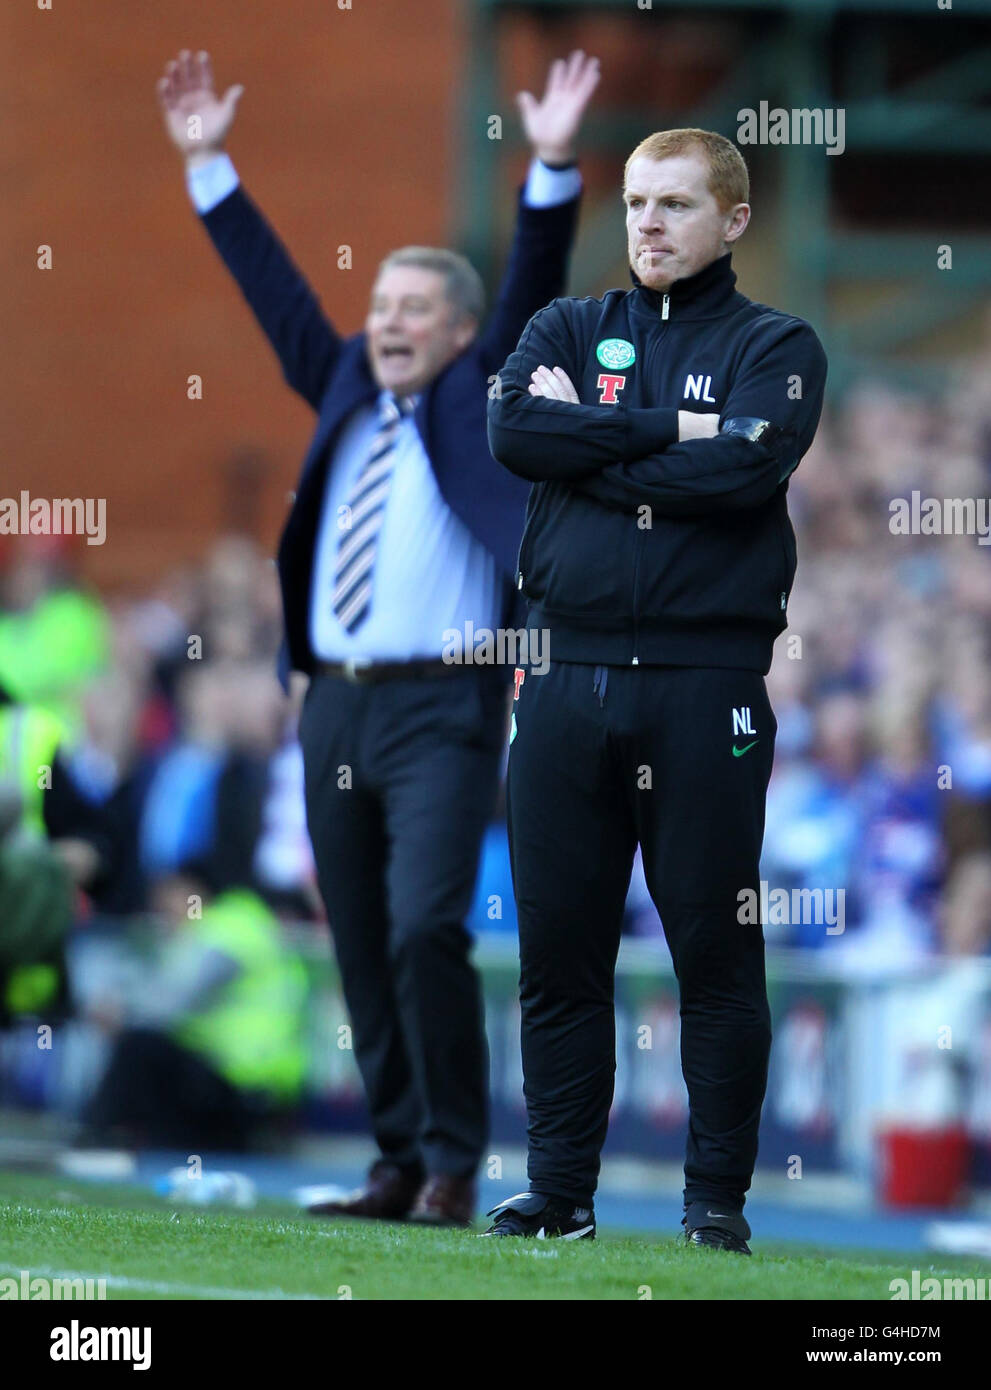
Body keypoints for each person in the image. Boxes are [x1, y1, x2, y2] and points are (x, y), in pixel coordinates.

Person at [155, 47, 599, 1225]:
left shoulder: (480, 392)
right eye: (381, 307)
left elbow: (532, 280)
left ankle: (454, 1160)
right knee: (354, 938)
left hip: (442, 703)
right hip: (333, 700)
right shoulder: (345, 381)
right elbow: (277, 297)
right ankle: (396, 1156)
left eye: (415, 310)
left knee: (421, 927)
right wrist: (210, 167)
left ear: (459, 332)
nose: (389, 323)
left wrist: (551, 165)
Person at [485, 128, 828, 1250]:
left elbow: (742, 466)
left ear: (731, 220)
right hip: (562, 677)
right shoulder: (567, 326)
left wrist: (586, 441)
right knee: (560, 952)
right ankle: (559, 1193)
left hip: (703, 688)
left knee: (714, 955)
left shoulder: (777, 343)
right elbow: (510, 429)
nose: (647, 224)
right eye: (635, 202)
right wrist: (665, 430)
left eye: (675, 204)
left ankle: (713, 1205)